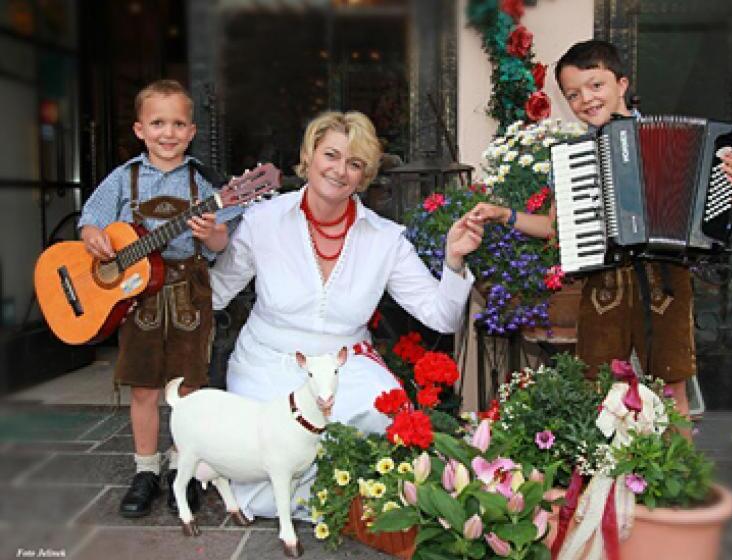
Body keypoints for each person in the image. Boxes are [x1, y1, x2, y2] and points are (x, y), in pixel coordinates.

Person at [211, 110, 484, 520]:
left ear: (365, 176)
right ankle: (348, 500)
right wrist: (184, 257)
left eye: (354, 164)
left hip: (346, 367)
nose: (340, 171)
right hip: (266, 363)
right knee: (265, 467)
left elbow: (441, 317)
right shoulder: (262, 221)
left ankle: (340, 499)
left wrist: (454, 260)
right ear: (309, 157)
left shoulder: (385, 239)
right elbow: (213, 294)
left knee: (379, 414)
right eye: (331, 156)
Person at [471, 39, 732, 418]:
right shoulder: (574, 158)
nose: (585, 99)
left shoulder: (681, 139)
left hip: (666, 282)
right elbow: (555, 228)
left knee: (671, 392)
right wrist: (503, 214)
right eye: (573, 94)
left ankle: (679, 476)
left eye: (595, 85)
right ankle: (609, 476)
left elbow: (712, 206)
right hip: (603, 286)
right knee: (599, 393)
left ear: (621, 84)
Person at [79, 79, 237, 518]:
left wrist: (215, 234)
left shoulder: (204, 182)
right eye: (158, 123)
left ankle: (179, 469)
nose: (168, 133)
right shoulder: (124, 177)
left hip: (188, 291)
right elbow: (91, 218)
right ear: (139, 129)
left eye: (178, 124)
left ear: (191, 132)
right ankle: (145, 470)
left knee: (188, 387)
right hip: (136, 297)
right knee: (145, 387)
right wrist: (93, 235)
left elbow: (222, 243)